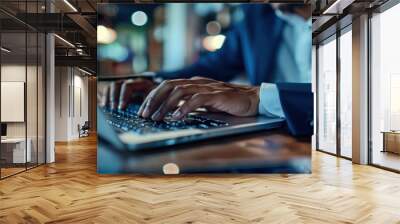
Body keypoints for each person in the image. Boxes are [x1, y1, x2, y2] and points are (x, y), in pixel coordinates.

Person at [104, 4, 313, 136]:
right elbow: (214, 66)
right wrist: (155, 82)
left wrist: (259, 97)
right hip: (274, 142)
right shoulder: (257, 15)